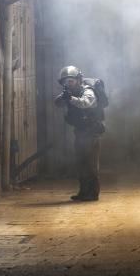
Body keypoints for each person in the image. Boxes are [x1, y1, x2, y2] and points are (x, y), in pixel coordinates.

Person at [54, 65, 105, 201]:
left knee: (91, 164)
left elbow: (86, 103)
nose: (68, 84)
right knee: (81, 163)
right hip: (80, 132)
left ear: (78, 80)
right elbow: (57, 102)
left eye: (71, 81)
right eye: (65, 82)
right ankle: (83, 192)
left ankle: (93, 193)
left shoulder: (88, 91)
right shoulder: (69, 92)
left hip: (92, 132)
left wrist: (70, 99)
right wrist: (63, 97)